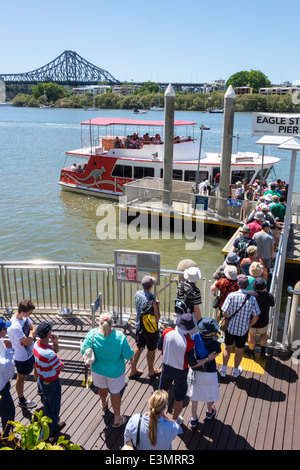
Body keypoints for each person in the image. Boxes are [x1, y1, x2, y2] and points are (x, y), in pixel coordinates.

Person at [158, 313, 217, 425]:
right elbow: (193, 364)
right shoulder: (189, 343)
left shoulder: (166, 332)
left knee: (162, 393)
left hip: (166, 367)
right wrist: (206, 359)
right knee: (179, 398)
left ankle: (159, 415)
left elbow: (159, 347)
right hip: (180, 372)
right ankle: (175, 421)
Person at [81, 312, 134, 428]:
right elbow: (128, 354)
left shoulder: (92, 334)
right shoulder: (119, 337)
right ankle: (116, 419)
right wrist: (132, 359)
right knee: (115, 393)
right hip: (115, 373)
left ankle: (103, 403)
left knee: (102, 387)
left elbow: (83, 349)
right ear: (112, 324)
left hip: (98, 370)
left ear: (99, 323)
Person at [219, 275, 260, 378]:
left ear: (237, 284)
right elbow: (256, 316)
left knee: (227, 348)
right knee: (239, 350)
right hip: (243, 330)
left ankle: (223, 370)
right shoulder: (252, 299)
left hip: (230, 328)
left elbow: (223, 312)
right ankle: (236, 371)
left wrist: (229, 317)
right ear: (247, 285)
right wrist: (249, 325)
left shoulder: (231, 296)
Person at [33, 321, 65, 440]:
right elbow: (60, 366)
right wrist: (55, 344)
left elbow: (52, 354)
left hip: (42, 380)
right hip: (52, 383)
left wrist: (54, 343)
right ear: (48, 334)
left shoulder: (36, 344)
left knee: (48, 404)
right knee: (54, 410)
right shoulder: (48, 354)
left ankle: (53, 425)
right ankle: (44, 438)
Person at [187, 318, 222, 428]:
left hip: (196, 372)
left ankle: (193, 419)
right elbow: (217, 354)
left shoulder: (194, 338)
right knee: (209, 394)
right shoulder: (216, 344)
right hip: (209, 373)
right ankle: (209, 412)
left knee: (194, 397)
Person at [7, 299, 37, 409]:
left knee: (37, 367)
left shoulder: (24, 317)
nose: (30, 315)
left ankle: (40, 387)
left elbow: (33, 328)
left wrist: (29, 336)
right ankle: (21, 399)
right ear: (23, 312)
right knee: (21, 377)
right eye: (30, 313)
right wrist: (31, 336)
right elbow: (29, 340)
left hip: (31, 352)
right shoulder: (14, 326)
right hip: (22, 357)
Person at [130, 276, 161, 379]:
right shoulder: (152, 300)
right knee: (151, 349)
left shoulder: (137, 294)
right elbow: (157, 318)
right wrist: (157, 305)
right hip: (150, 329)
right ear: (151, 286)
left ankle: (132, 370)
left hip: (139, 326)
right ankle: (151, 371)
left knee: (139, 346)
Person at [246, 277, 275, 359]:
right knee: (263, 334)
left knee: (251, 336)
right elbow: (272, 304)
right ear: (264, 287)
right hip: (264, 321)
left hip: (252, 321)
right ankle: (262, 352)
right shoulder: (269, 295)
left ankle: (251, 353)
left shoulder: (249, 294)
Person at [0, 318, 15, 438]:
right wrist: (10, 350)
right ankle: (6, 437)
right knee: (9, 411)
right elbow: (4, 366)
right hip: (0, 388)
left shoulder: (1, 340)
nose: (6, 330)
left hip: (3, 382)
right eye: (5, 328)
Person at [177, 266, 202, 332]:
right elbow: (196, 308)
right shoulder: (196, 291)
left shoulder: (180, 284)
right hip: (189, 314)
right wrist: (200, 319)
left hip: (180, 311)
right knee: (194, 333)